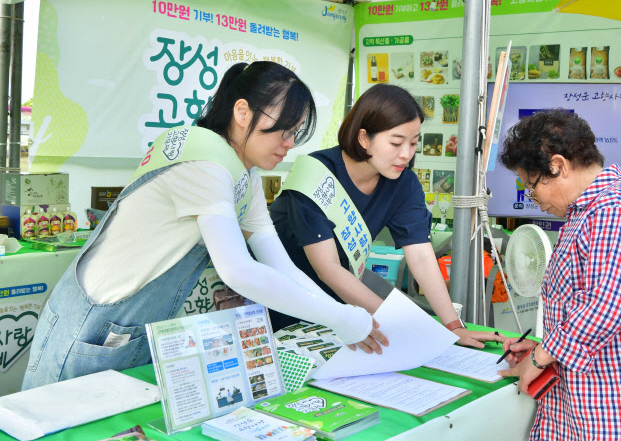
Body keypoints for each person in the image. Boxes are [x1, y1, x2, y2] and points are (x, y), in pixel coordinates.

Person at [22, 61, 385, 390]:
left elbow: (282, 266)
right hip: (93, 323)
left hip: (131, 326)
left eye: (296, 133)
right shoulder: (204, 160)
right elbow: (239, 271)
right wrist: (340, 316)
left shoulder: (243, 176)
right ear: (242, 112)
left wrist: (341, 319)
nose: (289, 144)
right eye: (284, 131)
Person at [495, 110, 621, 441]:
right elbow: (583, 303)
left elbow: (603, 306)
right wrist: (546, 346)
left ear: (558, 166)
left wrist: (541, 356)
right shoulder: (589, 210)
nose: (534, 200)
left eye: (530, 187)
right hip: (601, 397)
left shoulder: (615, 211)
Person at [269, 83, 495, 349]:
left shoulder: (402, 182)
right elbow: (328, 269)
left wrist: (453, 327)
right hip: (282, 303)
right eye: (396, 143)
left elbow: (421, 256)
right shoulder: (316, 175)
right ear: (364, 138)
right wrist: (405, 324)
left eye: (413, 143)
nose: (406, 154)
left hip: (344, 307)